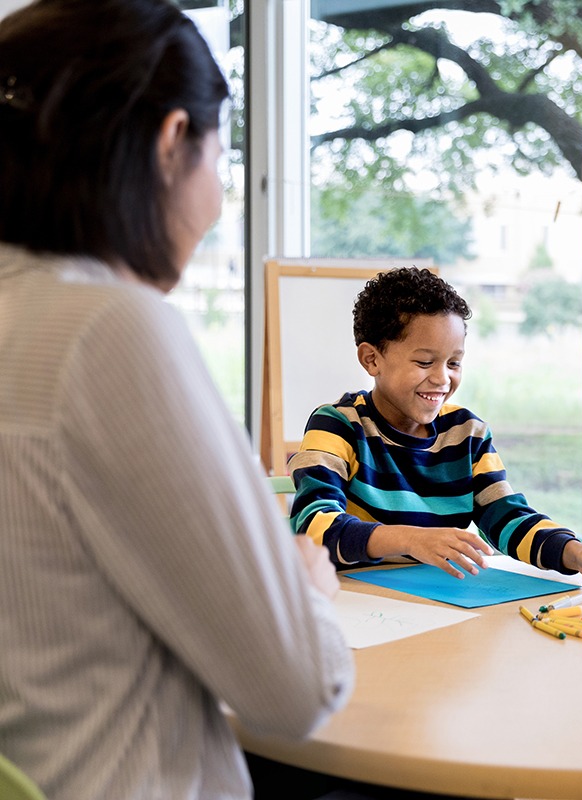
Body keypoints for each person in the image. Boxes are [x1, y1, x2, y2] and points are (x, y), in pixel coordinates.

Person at [0, 2, 353, 799]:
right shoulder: (106, 332)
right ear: (170, 143)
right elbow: (295, 690)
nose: (220, 198)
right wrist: (304, 586)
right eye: (220, 160)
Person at [288, 266, 582, 585]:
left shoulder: (467, 433)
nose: (442, 378)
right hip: (358, 601)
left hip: (441, 603)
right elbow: (312, 527)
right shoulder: (337, 425)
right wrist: (411, 539)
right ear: (372, 359)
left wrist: (577, 554)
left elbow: (507, 517)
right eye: (424, 361)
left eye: (453, 363)